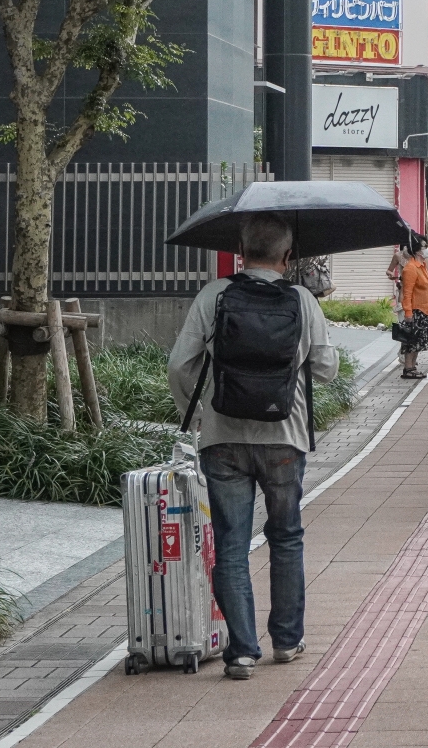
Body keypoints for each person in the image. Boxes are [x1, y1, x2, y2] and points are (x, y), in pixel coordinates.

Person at [167, 213, 338, 681]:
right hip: (285, 437)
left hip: (223, 439)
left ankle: (242, 652)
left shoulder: (214, 296)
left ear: (240, 254)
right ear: (288, 256)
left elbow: (180, 365)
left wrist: (200, 413)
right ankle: (286, 641)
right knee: (286, 537)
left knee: (231, 545)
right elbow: (327, 370)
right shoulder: (302, 300)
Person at [398, 237, 428, 378]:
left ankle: (412, 368)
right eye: (424, 247)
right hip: (417, 310)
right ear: (417, 250)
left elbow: (424, 285)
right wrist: (408, 312)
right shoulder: (411, 268)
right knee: (412, 341)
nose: (426, 249)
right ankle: (408, 368)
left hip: (426, 309)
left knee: (418, 342)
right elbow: (407, 293)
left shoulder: (422, 267)